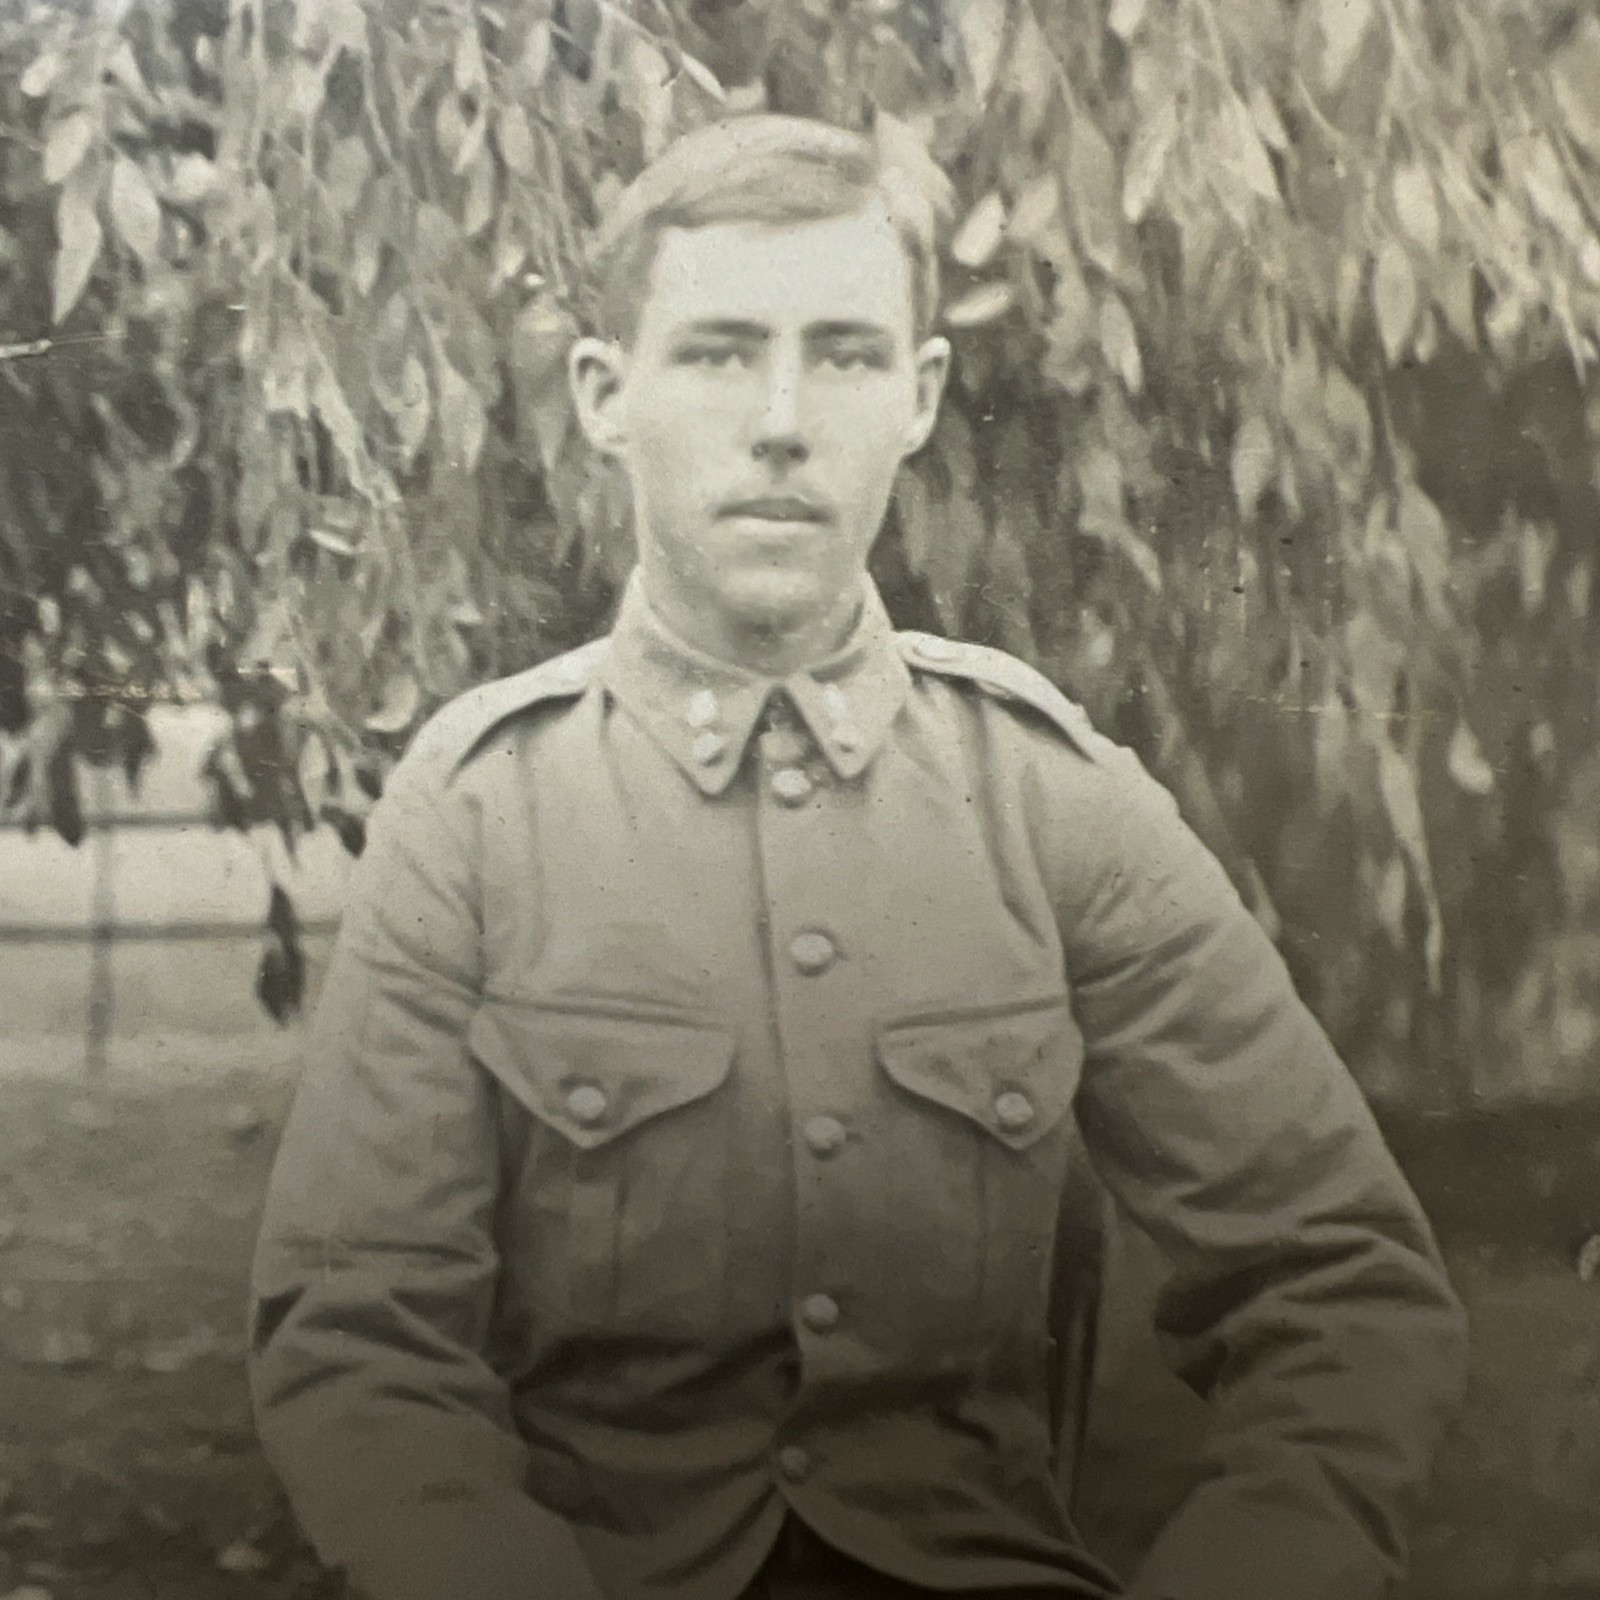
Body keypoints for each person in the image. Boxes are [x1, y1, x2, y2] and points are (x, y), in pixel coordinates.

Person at [247, 114, 1468, 1600]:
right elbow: (360, 1339)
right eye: (718, 353)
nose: (782, 420)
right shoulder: (478, 811)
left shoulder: (1049, 800)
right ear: (605, 397)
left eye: (843, 355)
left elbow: (1342, 1286)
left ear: (920, 397)